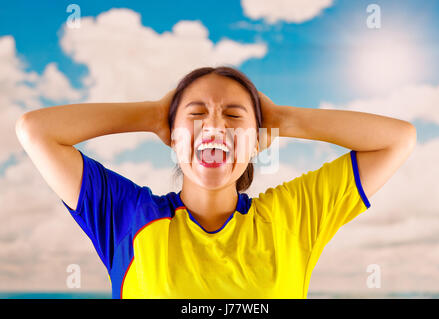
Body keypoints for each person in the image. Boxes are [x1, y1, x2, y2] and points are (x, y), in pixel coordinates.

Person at [15, 66, 416, 299]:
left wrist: (284, 120)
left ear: (257, 140)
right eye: (197, 114)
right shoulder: (126, 216)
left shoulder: (292, 218)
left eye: (233, 115)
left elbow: (397, 139)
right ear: (172, 137)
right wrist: (155, 114)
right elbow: (35, 130)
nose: (213, 126)